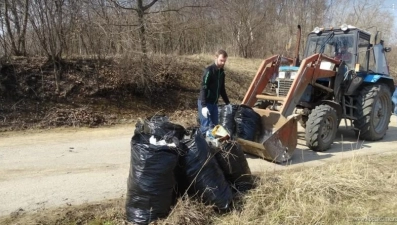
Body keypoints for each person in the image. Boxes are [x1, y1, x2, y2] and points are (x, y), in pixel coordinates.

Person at [198, 49, 230, 135]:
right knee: (206, 127)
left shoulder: (222, 73)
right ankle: (202, 146)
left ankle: (212, 147)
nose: (223, 63)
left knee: (215, 127)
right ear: (216, 58)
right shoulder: (209, 70)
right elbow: (203, 87)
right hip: (205, 102)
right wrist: (204, 106)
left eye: (224, 61)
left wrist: (227, 103)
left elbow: (222, 89)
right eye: (221, 60)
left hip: (214, 104)